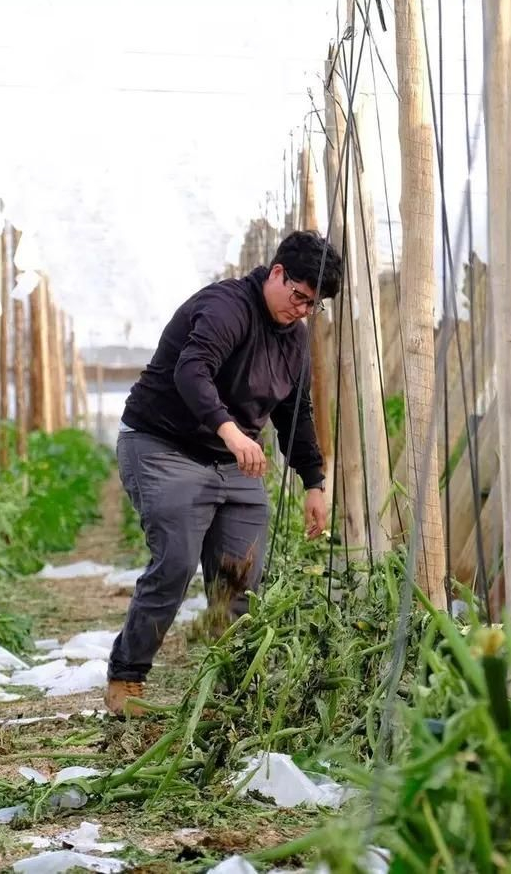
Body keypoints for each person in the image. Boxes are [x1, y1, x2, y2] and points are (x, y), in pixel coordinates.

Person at [104, 229, 341, 717]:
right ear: (277, 273)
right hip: (162, 445)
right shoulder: (226, 307)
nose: (302, 310)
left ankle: (229, 691)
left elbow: (295, 413)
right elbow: (191, 371)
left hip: (231, 461)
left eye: (312, 305)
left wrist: (314, 483)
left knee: (240, 578)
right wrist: (231, 431)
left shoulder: (294, 341)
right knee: (175, 562)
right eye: (299, 296)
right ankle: (126, 678)